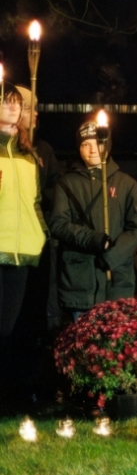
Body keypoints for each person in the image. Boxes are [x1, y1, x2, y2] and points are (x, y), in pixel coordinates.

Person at [49, 117, 137, 318]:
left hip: (118, 279)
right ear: (79, 148)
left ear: (107, 145)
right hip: (79, 280)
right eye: (86, 144)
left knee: (117, 345)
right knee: (84, 344)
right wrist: (93, 239)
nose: (93, 150)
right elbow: (58, 224)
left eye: (98, 143)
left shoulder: (126, 183)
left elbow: (136, 227)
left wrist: (113, 256)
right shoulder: (66, 183)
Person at [0, 86, 47, 407]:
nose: (13, 109)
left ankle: (10, 393)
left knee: (10, 328)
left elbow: (36, 202)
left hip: (24, 251)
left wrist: (41, 233)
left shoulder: (29, 154)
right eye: (6, 103)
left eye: (17, 105)